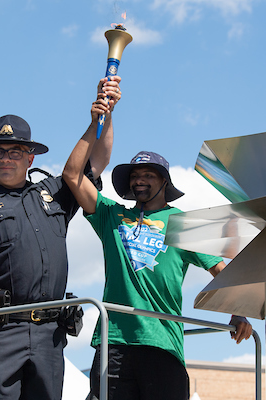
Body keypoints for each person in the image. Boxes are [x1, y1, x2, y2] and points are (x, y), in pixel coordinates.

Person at [0, 76, 122, 399]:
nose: (6, 157)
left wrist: (105, 114)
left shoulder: (53, 193)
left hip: (49, 334)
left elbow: (96, 162)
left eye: (15, 151)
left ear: (30, 158)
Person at [63, 131, 253, 398]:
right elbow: (72, 175)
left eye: (148, 175)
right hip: (114, 341)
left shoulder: (182, 222)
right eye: (134, 176)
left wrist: (238, 311)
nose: (139, 180)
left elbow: (220, 270)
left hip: (163, 343)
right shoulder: (112, 216)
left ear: (165, 182)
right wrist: (97, 122)